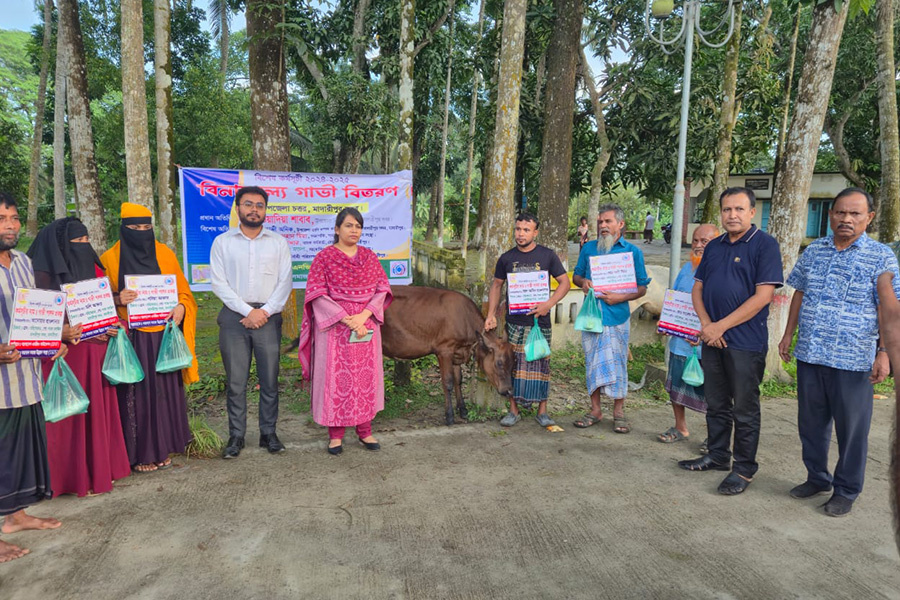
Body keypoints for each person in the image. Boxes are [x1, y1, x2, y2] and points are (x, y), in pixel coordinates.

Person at [778, 188, 900, 517]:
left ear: (869, 218)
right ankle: (817, 478)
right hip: (811, 353)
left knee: (852, 429)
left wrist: (885, 352)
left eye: (855, 214)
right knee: (811, 423)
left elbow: (889, 310)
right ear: (831, 214)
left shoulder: (882, 257)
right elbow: (798, 293)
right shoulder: (814, 251)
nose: (846, 219)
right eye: (840, 212)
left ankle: (846, 489)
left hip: (855, 358)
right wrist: (787, 334)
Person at [678, 187, 783, 496]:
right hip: (712, 338)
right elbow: (698, 289)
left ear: (752, 212)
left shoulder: (764, 246)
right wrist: (708, 326)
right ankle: (718, 455)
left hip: (745, 343)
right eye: (727, 210)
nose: (732, 215)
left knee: (745, 409)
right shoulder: (714, 246)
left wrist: (720, 326)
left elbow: (764, 296)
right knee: (717, 402)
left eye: (739, 209)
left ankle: (744, 468)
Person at [27, 218, 131, 496]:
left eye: (87, 241)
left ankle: (99, 471)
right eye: (78, 242)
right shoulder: (40, 275)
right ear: (60, 247)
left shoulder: (95, 268)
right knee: (65, 418)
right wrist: (64, 332)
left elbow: (105, 303)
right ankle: (66, 479)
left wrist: (112, 324)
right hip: (64, 358)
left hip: (96, 355)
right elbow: (33, 321)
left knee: (96, 413)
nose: (84, 247)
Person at [100, 203, 199, 473]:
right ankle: (140, 454)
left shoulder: (164, 253)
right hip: (132, 339)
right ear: (123, 228)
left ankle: (163, 448)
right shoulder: (110, 258)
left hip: (162, 338)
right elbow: (98, 300)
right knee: (136, 396)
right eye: (134, 228)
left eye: (146, 227)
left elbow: (184, 293)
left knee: (164, 393)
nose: (141, 232)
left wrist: (181, 307)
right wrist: (118, 298)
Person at [0, 192, 64, 564]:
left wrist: (53, 339)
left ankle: (16, 517)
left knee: (20, 454)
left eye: (14, 218)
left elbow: (35, 311)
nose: (10, 225)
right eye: (2, 218)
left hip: (26, 379)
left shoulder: (23, 262)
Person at [298, 208, 392, 455]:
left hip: (366, 327)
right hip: (335, 329)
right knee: (336, 378)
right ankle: (335, 435)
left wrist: (364, 315)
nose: (354, 231)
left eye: (358, 226)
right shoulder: (324, 258)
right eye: (349, 225)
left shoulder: (370, 257)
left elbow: (382, 289)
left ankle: (365, 431)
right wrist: (346, 319)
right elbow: (316, 293)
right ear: (337, 229)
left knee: (365, 379)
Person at [211, 187, 293, 459]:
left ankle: (268, 433)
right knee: (236, 382)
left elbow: (285, 283)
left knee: (269, 380)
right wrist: (248, 310)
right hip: (234, 319)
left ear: (266, 210)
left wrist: (264, 312)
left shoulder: (278, 243)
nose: (254, 209)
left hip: (268, 319)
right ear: (237, 208)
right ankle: (236, 436)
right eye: (248, 204)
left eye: (260, 205)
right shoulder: (222, 242)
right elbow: (218, 284)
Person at [485, 213, 570, 427]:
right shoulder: (506, 258)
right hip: (514, 323)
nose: (520, 234)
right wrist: (491, 315)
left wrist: (548, 305)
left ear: (535, 233)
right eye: (518, 229)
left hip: (539, 324)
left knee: (541, 364)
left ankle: (542, 411)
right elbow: (496, 285)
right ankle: (513, 411)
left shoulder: (548, 256)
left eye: (526, 230)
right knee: (513, 367)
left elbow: (564, 283)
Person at [572, 203, 650, 433]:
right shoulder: (588, 249)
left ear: (620, 224)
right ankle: (595, 410)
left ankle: (619, 412)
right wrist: (583, 283)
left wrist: (620, 297)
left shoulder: (632, 252)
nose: (603, 225)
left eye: (608, 221)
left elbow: (642, 288)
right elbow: (577, 276)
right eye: (601, 221)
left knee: (618, 362)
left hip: (617, 315)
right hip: (591, 317)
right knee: (592, 362)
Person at [657, 224, 718, 447]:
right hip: (680, 342)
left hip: (708, 345)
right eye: (695, 241)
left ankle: (714, 437)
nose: (699, 245)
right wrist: (666, 323)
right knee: (675, 389)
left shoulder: (723, 273)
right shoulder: (686, 269)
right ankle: (680, 427)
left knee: (713, 395)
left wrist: (704, 334)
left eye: (705, 241)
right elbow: (674, 299)